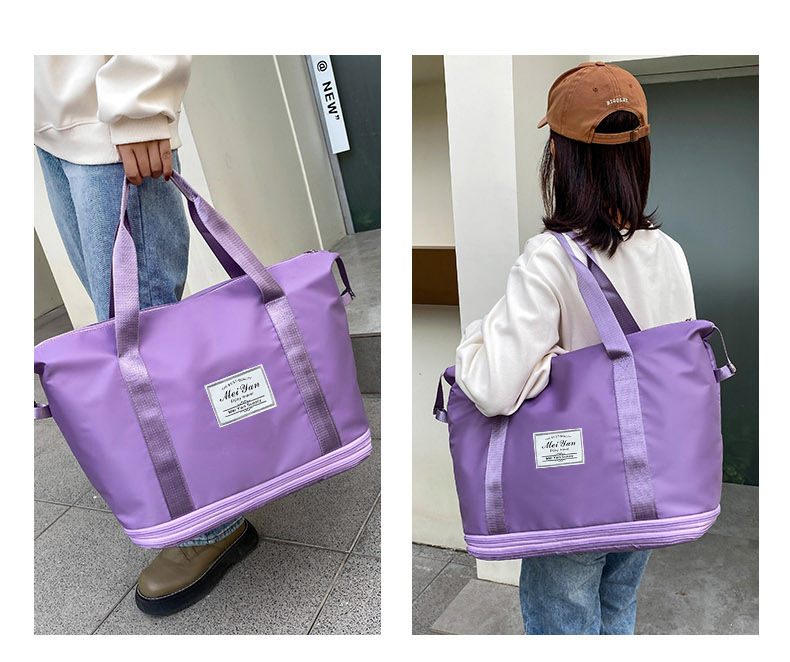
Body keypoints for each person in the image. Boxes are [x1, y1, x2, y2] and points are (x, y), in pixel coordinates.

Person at [454, 62, 696, 635]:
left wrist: (478, 336)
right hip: (647, 480)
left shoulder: (550, 258)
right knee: (617, 608)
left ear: (560, 158)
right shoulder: (669, 253)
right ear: (639, 154)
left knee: (564, 625)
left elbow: (493, 388)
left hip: (573, 492)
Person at [34, 55, 254, 616]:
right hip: (53, 125)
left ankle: (216, 525)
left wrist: (141, 101)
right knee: (124, 336)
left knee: (150, 350)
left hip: (113, 123)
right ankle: (204, 495)